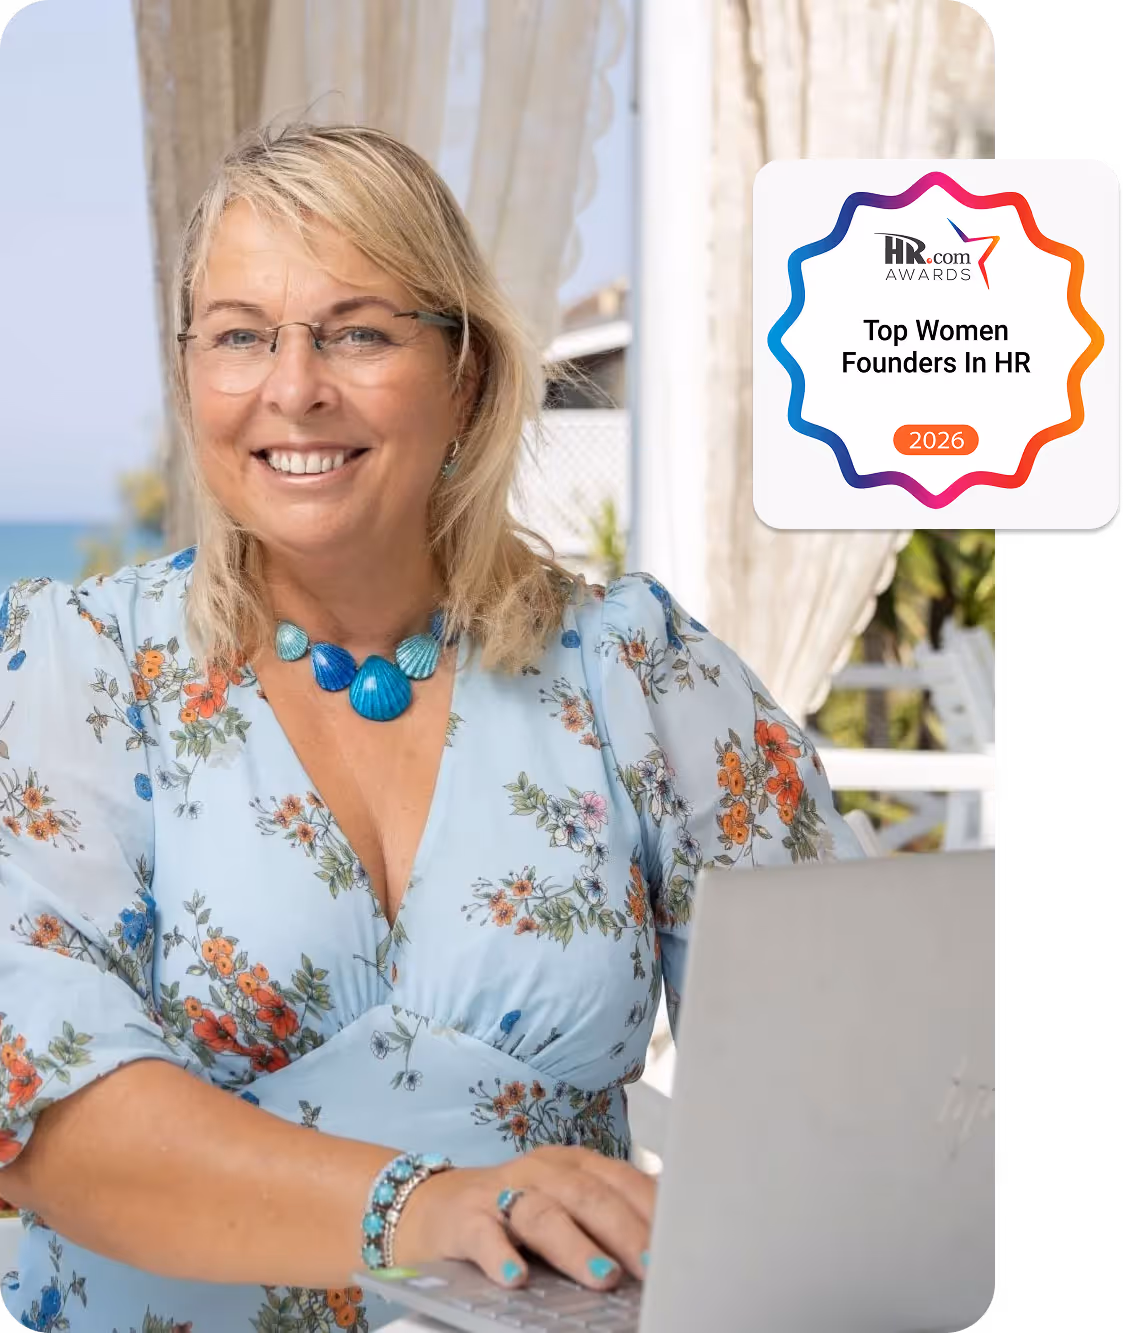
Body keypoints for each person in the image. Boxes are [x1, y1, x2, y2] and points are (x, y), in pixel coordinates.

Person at [0, 122, 862, 1331]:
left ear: (465, 374)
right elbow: (39, 1105)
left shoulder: (634, 667)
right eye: (239, 336)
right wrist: (430, 1207)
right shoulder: (78, 666)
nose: (293, 387)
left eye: (357, 331)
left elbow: (844, 1065)